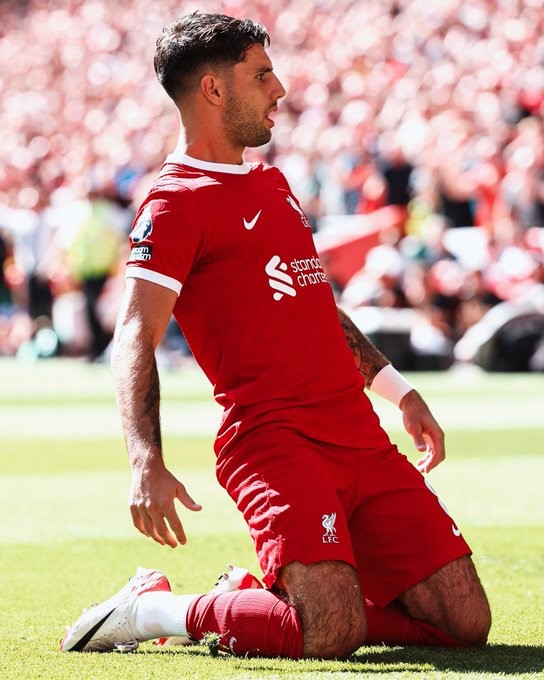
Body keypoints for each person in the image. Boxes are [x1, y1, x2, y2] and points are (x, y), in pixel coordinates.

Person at [61, 12, 491, 658]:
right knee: (328, 634)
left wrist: (397, 390)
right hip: (274, 440)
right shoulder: (174, 202)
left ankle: (261, 597)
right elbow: (133, 336)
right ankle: (153, 608)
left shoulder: (274, 183)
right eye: (261, 75)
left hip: (356, 433)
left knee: (466, 622)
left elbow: (316, 300)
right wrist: (144, 459)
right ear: (212, 91)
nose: (280, 89)